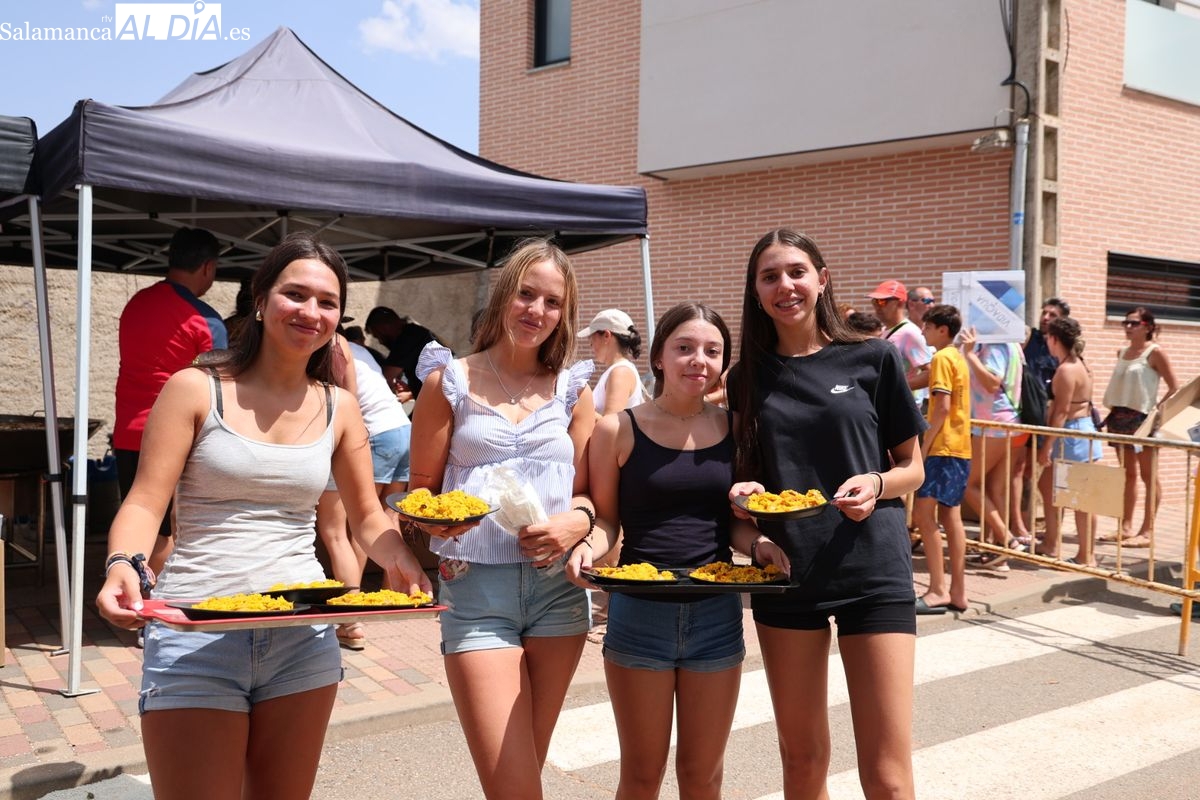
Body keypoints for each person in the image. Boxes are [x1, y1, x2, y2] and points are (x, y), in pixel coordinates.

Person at [95, 232, 432, 800]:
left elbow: (368, 518)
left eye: (327, 302)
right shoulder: (195, 388)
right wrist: (122, 564)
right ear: (260, 298)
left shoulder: (339, 406)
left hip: (302, 639)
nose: (311, 312)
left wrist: (401, 560)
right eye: (295, 294)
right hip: (197, 633)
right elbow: (146, 502)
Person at [727, 229, 925, 800]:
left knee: (887, 773)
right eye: (770, 276)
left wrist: (878, 481)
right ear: (756, 290)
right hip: (788, 575)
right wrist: (749, 525)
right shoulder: (745, 379)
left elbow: (913, 468)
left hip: (874, 571)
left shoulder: (874, 357)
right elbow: (738, 501)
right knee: (803, 759)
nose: (784, 286)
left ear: (822, 279)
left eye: (796, 271)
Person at [405, 238, 596, 799]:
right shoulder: (449, 381)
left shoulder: (572, 389)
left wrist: (577, 524)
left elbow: (590, 498)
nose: (537, 311)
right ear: (503, 295)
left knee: (520, 775)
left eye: (552, 302)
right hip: (475, 590)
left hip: (559, 589)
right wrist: (436, 521)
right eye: (526, 294)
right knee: (514, 785)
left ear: (565, 314)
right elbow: (420, 489)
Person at [570, 303, 740, 799]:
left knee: (702, 775)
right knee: (642, 777)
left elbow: (738, 526)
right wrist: (587, 549)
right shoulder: (617, 429)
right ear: (660, 357)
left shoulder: (736, 428)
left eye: (712, 351)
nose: (698, 361)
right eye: (684, 348)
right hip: (639, 616)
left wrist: (766, 544)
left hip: (716, 614)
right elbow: (605, 520)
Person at [113, 227, 227, 574]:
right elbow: (221, 391)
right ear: (208, 267)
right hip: (175, 440)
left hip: (128, 432)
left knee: (138, 521)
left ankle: (138, 603)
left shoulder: (136, 304)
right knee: (173, 534)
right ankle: (162, 614)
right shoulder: (205, 320)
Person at [315, 331, 413, 650]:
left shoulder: (330, 349)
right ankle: (395, 597)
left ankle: (351, 612)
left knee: (352, 525)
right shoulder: (357, 348)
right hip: (401, 428)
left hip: (377, 434)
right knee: (388, 515)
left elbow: (348, 401)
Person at [1101, 307, 1178, 547]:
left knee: (1148, 475)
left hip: (1142, 419)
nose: (1128, 327)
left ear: (1147, 326)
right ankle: (1125, 527)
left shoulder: (1155, 353)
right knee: (1127, 475)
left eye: (1133, 323)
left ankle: (1147, 531)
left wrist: (1156, 415)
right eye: (1126, 323)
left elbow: (1174, 386)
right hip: (1119, 417)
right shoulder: (1121, 352)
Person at [913, 304, 972, 614]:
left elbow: (942, 407)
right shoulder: (956, 357)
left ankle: (937, 589)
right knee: (951, 517)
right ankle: (957, 591)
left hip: (942, 448)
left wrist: (924, 449)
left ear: (942, 330)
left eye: (927, 326)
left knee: (924, 517)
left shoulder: (941, 358)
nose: (923, 331)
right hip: (960, 447)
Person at [1036, 316, 1103, 564]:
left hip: (1072, 436)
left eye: (1048, 338)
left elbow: (1062, 411)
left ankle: (1086, 555)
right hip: (1084, 432)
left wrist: (1048, 448)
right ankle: (1058, 545)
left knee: (1080, 500)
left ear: (1055, 339)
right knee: (1069, 495)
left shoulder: (1066, 370)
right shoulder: (1082, 364)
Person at [960, 327, 1027, 569]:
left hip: (994, 423)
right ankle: (999, 556)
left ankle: (1007, 540)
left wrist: (970, 354)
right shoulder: (1011, 342)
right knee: (994, 489)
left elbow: (992, 382)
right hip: (1006, 422)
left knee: (968, 484)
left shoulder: (996, 343)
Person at [1011, 297, 1072, 544]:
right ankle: (1020, 525)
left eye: (1052, 315)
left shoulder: (1065, 350)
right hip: (1026, 416)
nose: (1045, 318)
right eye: (1044, 313)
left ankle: (1050, 529)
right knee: (1020, 471)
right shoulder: (1029, 338)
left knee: (1050, 477)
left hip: (1050, 419)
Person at [868, 279, 931, 408]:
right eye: (874, 301)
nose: (877, 306)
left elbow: (930, 373)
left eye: (882, 301)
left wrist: (896, 387)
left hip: (902, 411)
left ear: (900, 303)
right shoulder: (885, 331)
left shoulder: (910, 333)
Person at [578, 307, 647, 416]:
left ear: (606, 336)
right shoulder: (617, 370)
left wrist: (579, 407)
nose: (591, 345)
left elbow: (611, 427)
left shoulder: (620, 373)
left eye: (592, 339)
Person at [364, 306, 438, 400]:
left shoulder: (408, 338)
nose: (380, 342)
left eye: (378, 336)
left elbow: (384, 377)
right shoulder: (415, 333)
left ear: (384, 328)